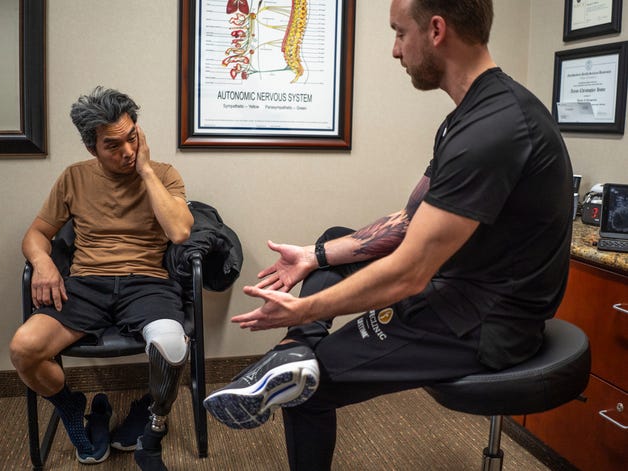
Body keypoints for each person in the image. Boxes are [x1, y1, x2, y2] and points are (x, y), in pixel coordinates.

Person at [203, 0, 573, 470]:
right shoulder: (473, 114)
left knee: (306, 388)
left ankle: (296, 356)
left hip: (485, 324)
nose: (395, 50)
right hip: (459, 286)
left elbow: (409, 273)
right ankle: (295, 348)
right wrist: (314, 258)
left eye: (400, 33)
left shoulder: (494, 129)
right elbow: (409, 219)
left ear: (436, 30)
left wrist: (303, 308)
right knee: (335, 242)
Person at [9, 86, 194, 471]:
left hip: (146, 282)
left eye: (132, 137)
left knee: (172, 345)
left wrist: (144, 170)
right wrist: (42, 262)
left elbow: (179, 232)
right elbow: (36, 234)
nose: (127, 150)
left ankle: (152, 415)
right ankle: (71, 405)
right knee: (24, 349)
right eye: (113, 145)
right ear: (92, 148)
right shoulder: (74, 177)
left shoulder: (163, 175)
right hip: (86, 284)